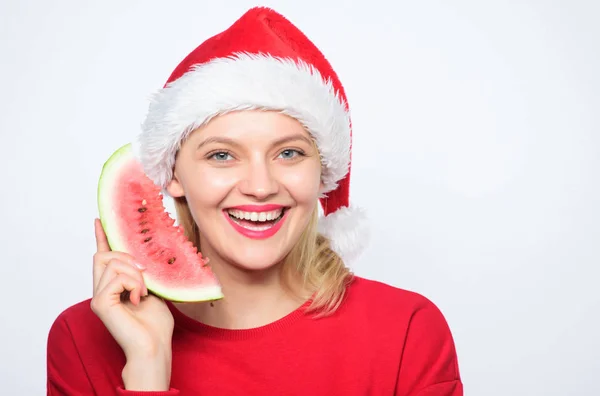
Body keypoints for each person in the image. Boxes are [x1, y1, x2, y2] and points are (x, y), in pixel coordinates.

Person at [47, 6, 463, 395]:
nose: (260, 186)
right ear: (171, 174)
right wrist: (147, 369)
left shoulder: (407, 330)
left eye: (289, 153)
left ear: (323, 172)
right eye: (222, 155)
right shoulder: (83, 338)